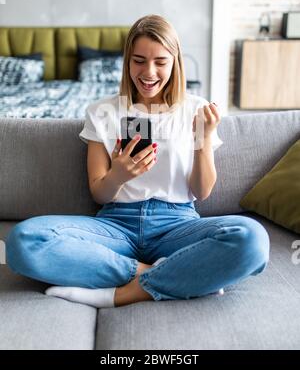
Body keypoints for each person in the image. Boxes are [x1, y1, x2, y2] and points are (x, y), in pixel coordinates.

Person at [6, 15, 270, 308]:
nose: (149, 72)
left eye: (160, 62)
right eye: (139, 61)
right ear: (127, 61)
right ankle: (171, 274)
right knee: (24, 240)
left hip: (178, 223)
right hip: (116, 225)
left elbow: (202, 191)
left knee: (252, 239)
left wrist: (203, 139)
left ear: (175, 62)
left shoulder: (196, 109)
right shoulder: (102, 112)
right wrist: (118, 174)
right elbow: (99, 193)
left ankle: (122, 293)